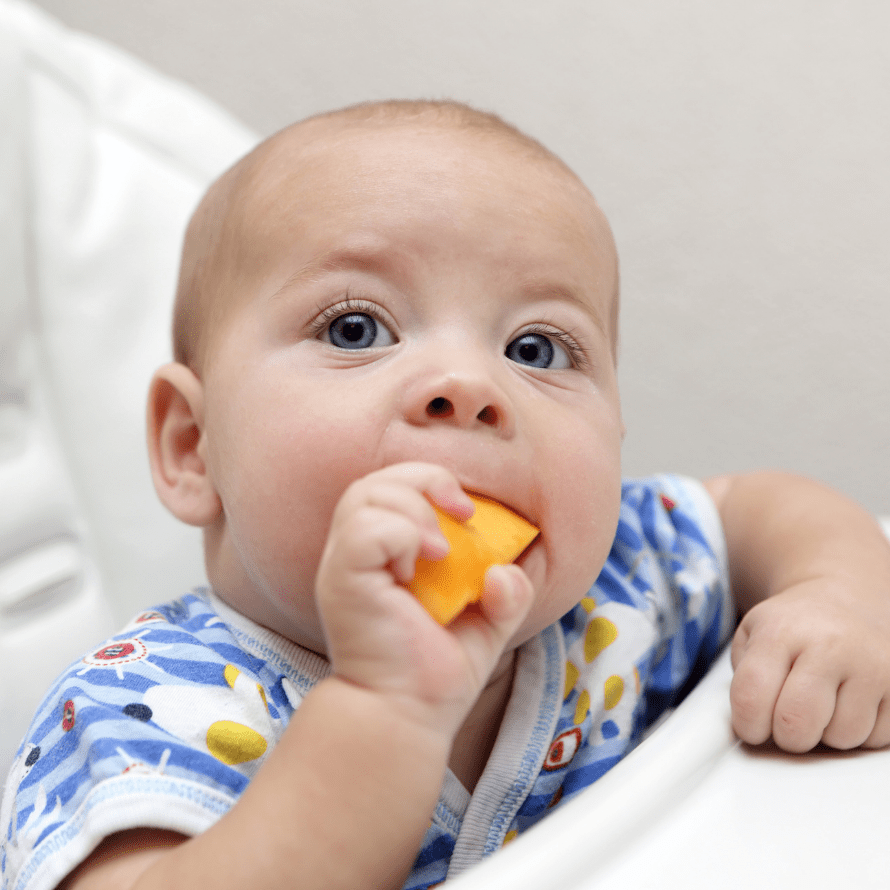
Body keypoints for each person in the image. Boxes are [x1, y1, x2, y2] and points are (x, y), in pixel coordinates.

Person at [3, 100, 890, 890]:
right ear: (193, 447)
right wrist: (383, 715)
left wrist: (842, 594)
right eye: (357, 328)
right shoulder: (143, 713)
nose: (469, 384)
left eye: (537, 348)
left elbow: (758, 507)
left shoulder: (624, 586)